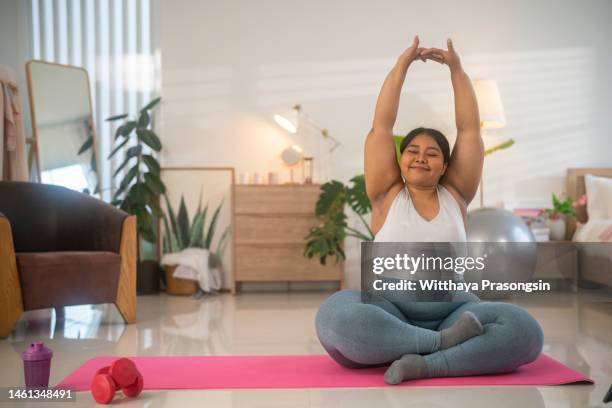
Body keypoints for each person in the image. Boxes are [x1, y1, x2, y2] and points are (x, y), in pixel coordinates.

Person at [315, 36, 544, 384]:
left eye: (432, 153)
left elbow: (469, 130)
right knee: (336, 318)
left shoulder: (456, 195)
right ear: (401, 161)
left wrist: (457, 70)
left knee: (525, 331)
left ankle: (424, 363)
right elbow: (381, 126)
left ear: (444, 166)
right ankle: (441, 346)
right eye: (412, 151)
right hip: (388, 308)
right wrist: (401, 67)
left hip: (455, 310)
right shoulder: (386, 195)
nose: (421, 156)